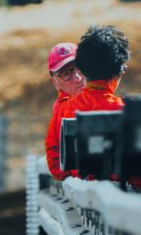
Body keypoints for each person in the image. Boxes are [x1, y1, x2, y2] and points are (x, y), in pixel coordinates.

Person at [46, 25, 129, 180]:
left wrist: (77, 178)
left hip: (80, 191)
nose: (76, 78)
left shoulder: (62, 110)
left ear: (83, 68)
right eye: (66, 74)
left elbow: (55, 164)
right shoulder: (126, 110)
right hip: (118, 191)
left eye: (76, 69)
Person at [45, 42, 86, 177]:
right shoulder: (64, 109)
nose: (78, 78)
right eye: (66, 74)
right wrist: (75, 176)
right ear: (55, 83)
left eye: (80, 68)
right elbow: (55, 162)